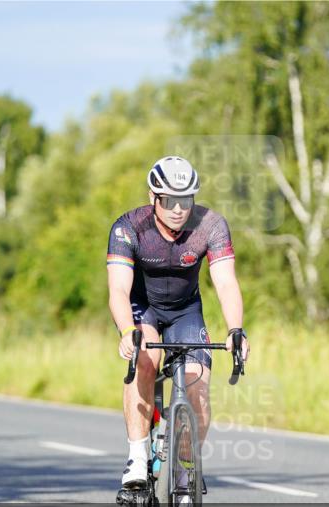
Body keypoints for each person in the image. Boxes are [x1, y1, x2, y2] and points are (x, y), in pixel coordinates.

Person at [106, 155, 251, 489]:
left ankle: (186, 468)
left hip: (187, 311)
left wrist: (235, 329)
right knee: (146, 361)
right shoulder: (128, 228)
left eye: (185, 200)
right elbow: (118, 288)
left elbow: (226, 282)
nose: (178, 209)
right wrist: (128, 330)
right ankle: (138, 457)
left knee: (197, 384)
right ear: (153, 197)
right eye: (169, 200)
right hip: (142, 308)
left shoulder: (210, 226)